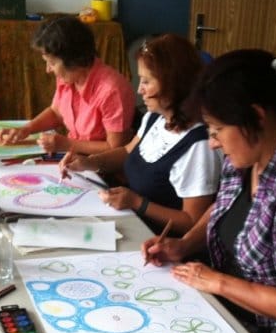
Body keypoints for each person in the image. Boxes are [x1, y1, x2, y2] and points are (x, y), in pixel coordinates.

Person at [141, 49, 276, 333]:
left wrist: (216, 282)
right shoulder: (246, 154)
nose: (212, 143)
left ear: (255, 117)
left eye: (217, 130)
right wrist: (184, 245)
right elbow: (225, 207)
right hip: (223, 308)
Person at [60, 34, 219, 235]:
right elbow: (128, 151)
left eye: (146, 81)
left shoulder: (199, 146)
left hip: (159, 241)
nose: (139, 90)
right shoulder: (155, 118)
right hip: (132, 222)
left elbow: (192, 221)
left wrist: (137, 203)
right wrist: (88, 162)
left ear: (173, 84)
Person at [0, 16, 135, 155]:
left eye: (52, 63)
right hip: (76, 158)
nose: (48, 70)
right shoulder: (69, 77)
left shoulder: (111, 90)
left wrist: (68, 144)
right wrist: (26, 129)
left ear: (74, 59)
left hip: (102, 164)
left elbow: (115, 148)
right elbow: (56, 113)